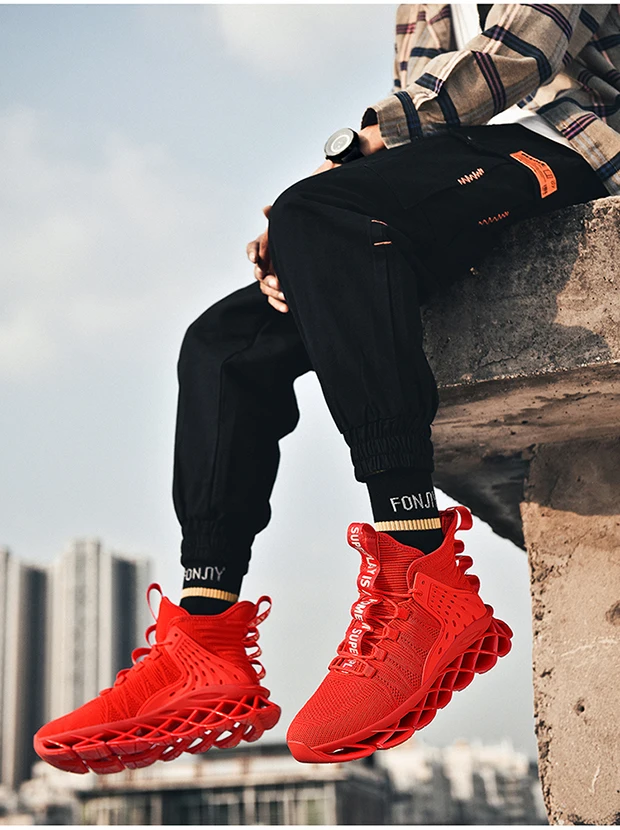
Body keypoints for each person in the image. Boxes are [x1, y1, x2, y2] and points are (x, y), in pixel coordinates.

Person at [35, 4, 619, 773]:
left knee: (315, 212)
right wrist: (311, 234)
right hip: (467, 177)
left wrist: (346, 168)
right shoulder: (418, 8)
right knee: (223, 342)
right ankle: (205, 633)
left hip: (576, 142)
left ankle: (418, 561)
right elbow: (414, 139)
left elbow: (517, 56)